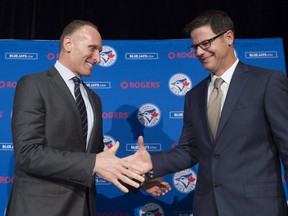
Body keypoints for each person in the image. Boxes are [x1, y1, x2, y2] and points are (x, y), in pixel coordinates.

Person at [124, 9, 288, 216]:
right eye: (195, 47)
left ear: (228, 37)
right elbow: (190, 149)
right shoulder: (194, 95)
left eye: (205, 43)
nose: (199, 52)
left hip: (259, 208)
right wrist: (152, 163)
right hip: (209, 207)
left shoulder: (267, 82)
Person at [5, 20, 149, 216]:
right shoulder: (33, 84)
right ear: (68, 44)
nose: (98, 58)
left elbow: (97, 159)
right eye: (92, 48)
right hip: (40, 209)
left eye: (100, 51)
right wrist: (93, 163)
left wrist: (139, 180)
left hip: (84, 208)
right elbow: (28, 154)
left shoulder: (93, 99)